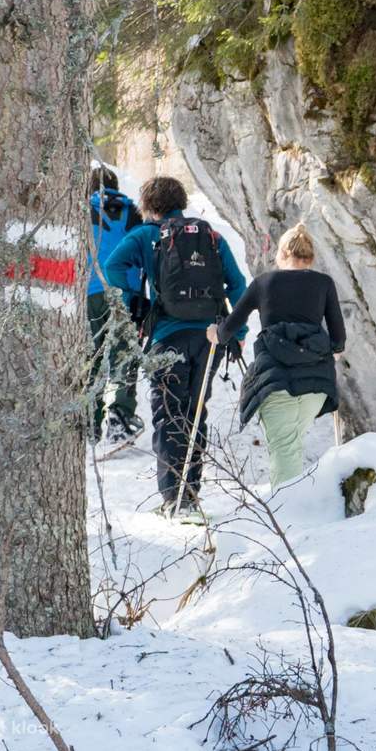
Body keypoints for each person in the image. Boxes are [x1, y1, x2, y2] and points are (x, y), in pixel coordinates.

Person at [105, 176, 247, 521]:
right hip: (209, 338)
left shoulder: (145, 235)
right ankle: (191, 496)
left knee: (169, 413)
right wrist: (237, 331)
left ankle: (174, 499)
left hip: (166, 334)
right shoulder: (210, 235)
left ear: (149, 206)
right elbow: (238, 284)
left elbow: (112, 267)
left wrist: (135, 300)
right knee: (195, 412)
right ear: (181, 202)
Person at [207, 223, 344, 488]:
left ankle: (288, 518)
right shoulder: (324, 284)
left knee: (284, 449)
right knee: (290, 446)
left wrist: (216, 333)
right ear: (311, 257)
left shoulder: (264, 283)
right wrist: (334, 351)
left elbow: (229, 328)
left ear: (281, 255)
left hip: (276, 380)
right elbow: (338, 338)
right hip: (316, 382)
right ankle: (297, 510)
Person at [86, 164, 144, 444]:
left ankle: (89, 422)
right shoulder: (133, 213)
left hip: (88, 294)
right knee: (123, 355)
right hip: (124, 294)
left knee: (91, 358)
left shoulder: (79, 210)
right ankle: (119, 419)